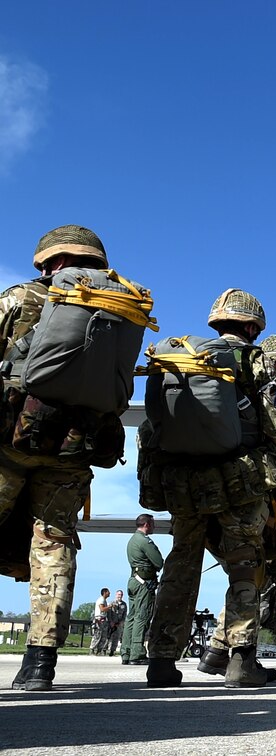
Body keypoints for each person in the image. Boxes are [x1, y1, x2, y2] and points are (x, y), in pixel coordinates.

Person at [143, 289, 276, 688]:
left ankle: (160, 661)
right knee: (245, 563)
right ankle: (242, 662)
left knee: (182, 563)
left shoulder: (183, 357)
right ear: (252, 326)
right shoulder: (253, 360)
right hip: (240, 480)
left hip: (184, 481)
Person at [2, 226, 135, 691]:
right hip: (74, 448)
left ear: (46, 262)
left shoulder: (21, 298)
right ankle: (40, 663)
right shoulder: (121, 307)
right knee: (54, 546)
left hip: (9, 440)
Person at [121, 514, 163, 664]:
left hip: (134, 580)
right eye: (152, 523)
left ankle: (126, 652)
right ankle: (137, 653)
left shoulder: (132, 540)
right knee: (142, 616)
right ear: (146, 524)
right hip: (144, 583)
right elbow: (158, 562)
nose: (154, 526)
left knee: (131, 617)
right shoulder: (144, 541)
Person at [106, 590, 127, 657]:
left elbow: (124, 614)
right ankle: (105, 650)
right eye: (118, 594)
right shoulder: (112, 602)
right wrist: (110, 621)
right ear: (116, 595)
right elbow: (109, 613)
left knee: (116, 637)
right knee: (109, 637)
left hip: (119, 623)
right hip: (112, 622)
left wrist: (122, 622)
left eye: (121, 594)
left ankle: (112, 651)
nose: (119, 596)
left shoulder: (124, 604)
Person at [90, 588, 110, 655]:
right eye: (108, 592)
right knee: (97, 635)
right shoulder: (101, 600)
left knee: (103, 636)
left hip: (104, 620)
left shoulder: (104, 600)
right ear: (104, 592)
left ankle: (99, 650)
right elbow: (102, 609)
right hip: (99, 619)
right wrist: (110, 606)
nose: (109, 593)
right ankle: (92, 649)